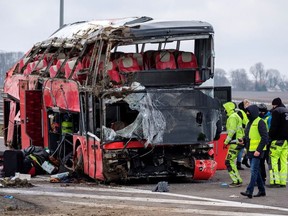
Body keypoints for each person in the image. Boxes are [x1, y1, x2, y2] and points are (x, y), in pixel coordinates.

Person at [240, 105, 268, 198]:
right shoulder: (249, 122)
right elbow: (249, 136)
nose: (247, 114)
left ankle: (249, 191)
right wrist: (243, 140)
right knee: (256, 171)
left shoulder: (260, 122)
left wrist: (258, 150)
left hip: (257, 151)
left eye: (248, 112)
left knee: (253, 171)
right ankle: (262, 190)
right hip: (250, 150)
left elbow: (265, 138)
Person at [223, 102, 244, 187]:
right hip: (237, 142)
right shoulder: (236, 116)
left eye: (225, 108)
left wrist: (226, 142)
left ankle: (236, 181)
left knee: (229, 161)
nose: (224, 110)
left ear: (228, 108)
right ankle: (237, 180)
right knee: (230, 161)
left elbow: (231, 131)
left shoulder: (232, 117)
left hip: (234, 143)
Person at [268, 97, 288, 188]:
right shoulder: (286, 111)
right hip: (286, 141)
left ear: (275, 104)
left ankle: (275, 181)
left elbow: (274, 127)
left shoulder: (276, 112)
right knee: (284, 161)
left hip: (277, 140)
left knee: (273, 161)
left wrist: (270, 136)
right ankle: (283, 181)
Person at [258, 103, 272, 184]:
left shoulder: (269, 118)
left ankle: (272, 179)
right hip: (264, 142)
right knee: (262, 162)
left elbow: (269, 131)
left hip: (267, 142)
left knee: (268, 162)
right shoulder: (263, 118)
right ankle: (263, 179)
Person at [236, 100, 250, 170]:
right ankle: (239, 163)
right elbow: (239, 122)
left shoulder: (247, 112)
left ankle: (245, 160)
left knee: (247, 148)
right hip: (242, 133)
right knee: (241, 149)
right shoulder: (240, 112)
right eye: (247, 104)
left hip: (246, 132)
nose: (248, 105)